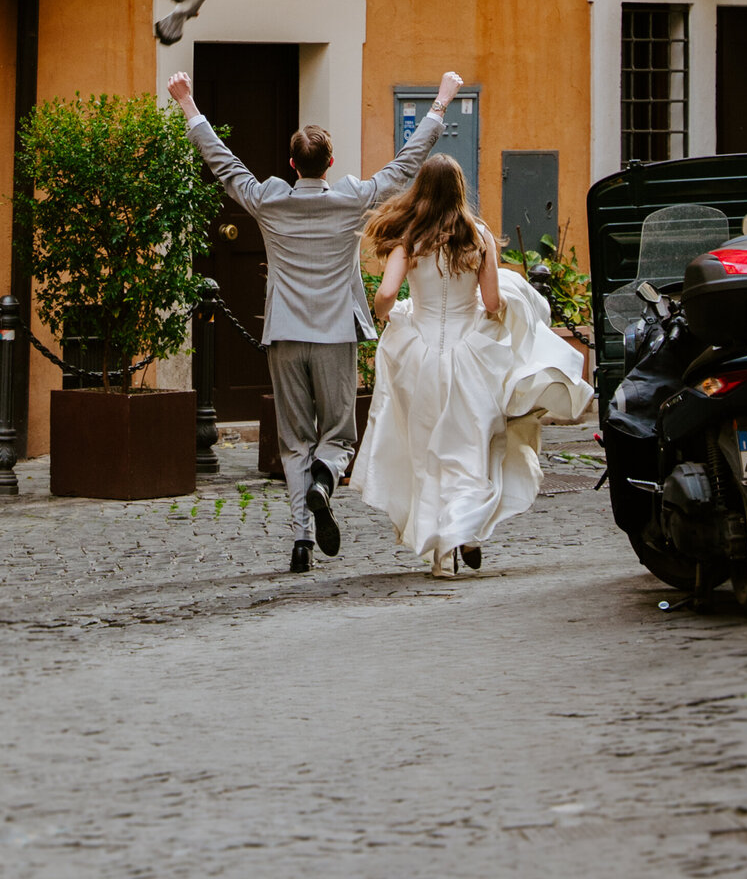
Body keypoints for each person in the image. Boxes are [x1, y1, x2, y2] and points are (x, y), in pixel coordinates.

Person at [167, 68, 464, 574]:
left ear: (291, 164)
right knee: (340, 435)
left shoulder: (267, 199)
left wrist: (189, 105)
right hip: (333, 335)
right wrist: (441, 101)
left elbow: (222, 163)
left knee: (294, 439)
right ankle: (325, 483)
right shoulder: (352, 197)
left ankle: (301, 541)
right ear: (329, 164)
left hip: (284, 333)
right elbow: (407, 163)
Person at [350, 153, 593, 575]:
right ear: (460, 189)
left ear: (420, 191)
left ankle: (442, 556)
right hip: (471, 357)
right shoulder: (478, 236)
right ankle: (467, 532)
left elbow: (385, 298)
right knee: (470, 449)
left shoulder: (411, 239)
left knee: (428, 453)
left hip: (420, 357)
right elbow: (494, 302)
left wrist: (395, 310)